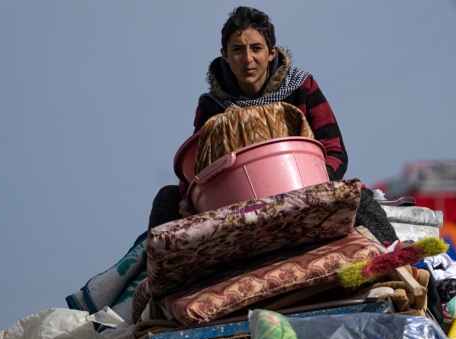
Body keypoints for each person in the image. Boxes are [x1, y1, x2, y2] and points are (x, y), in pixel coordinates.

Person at [149, 6, 397, 243]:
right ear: (224, 54)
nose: (248, 59)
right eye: (237, 49)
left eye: (256, 48)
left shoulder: (301, 86)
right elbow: (196, 169)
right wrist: (187, 200)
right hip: (233, 207)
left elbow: (334, 150)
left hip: (303, 193)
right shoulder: (212, 105)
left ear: (271, 52)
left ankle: (400, 256)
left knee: (358, 196)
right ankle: (161, 280)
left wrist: (319, 184)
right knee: (168, 198)